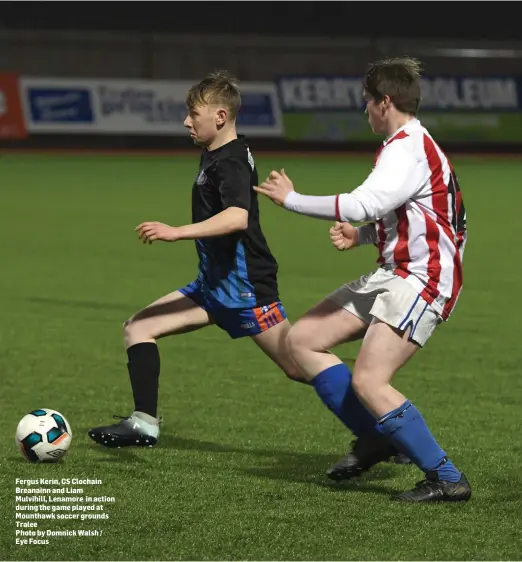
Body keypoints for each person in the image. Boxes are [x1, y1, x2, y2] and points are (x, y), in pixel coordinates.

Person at [254, 57, 470, 502]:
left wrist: (291, 200)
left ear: (384, 102)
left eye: (367, 103)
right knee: (303, 340)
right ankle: (376, 438)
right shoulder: (408, 145)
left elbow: (362, 203)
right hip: (396, 273)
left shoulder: (407, 147)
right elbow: (418, 214)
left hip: (421, 278)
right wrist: (365, 236)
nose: (365, 111)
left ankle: (447, 477)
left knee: (370, 380)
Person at [88, 70, 304, 448]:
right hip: (212, 288)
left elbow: (238, 216)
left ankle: (386, 428)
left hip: (245, 291)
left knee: (300, 365)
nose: (187, 121)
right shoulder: (218, 153)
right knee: (138, 327)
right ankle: (143, 423)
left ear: (220, 117)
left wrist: (176, 231)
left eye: (194, 114)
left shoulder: (231, 161)